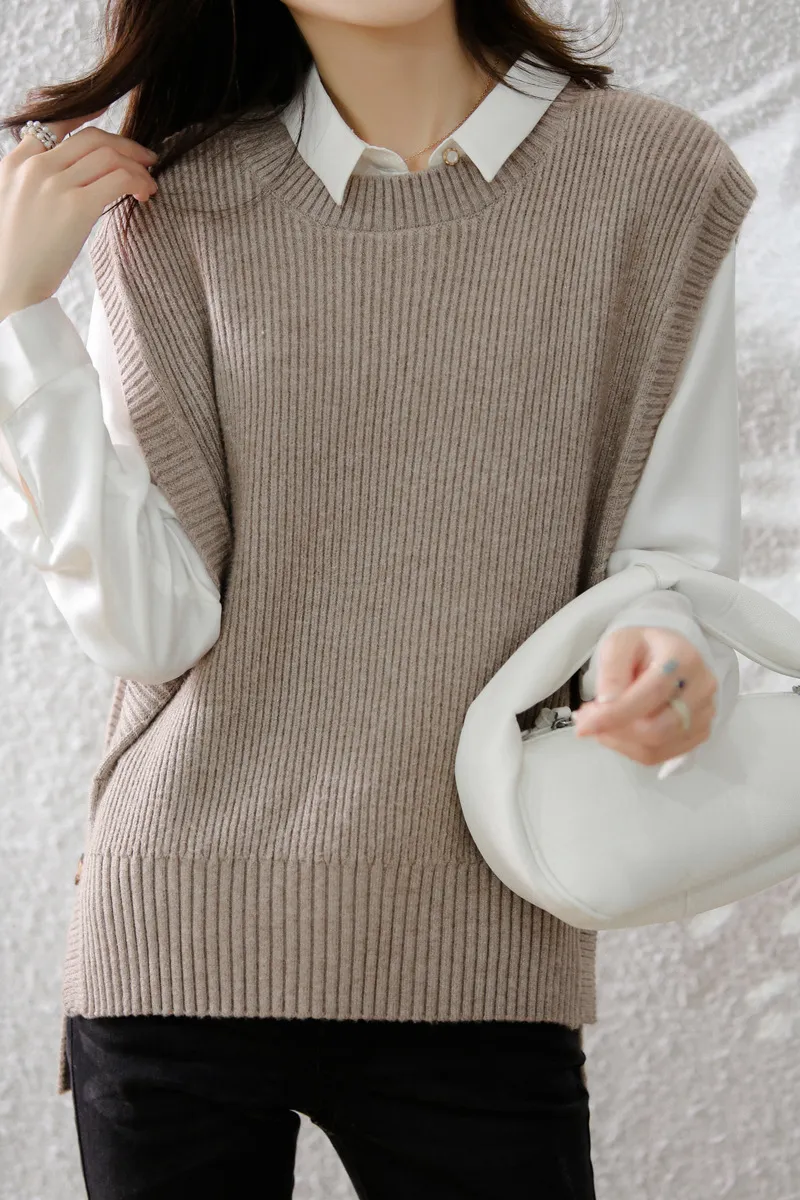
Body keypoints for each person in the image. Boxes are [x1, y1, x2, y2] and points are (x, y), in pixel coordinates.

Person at [0, 1, 756, 1196]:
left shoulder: (654, 177)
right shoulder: (177, 201)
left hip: (480, 948)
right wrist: (17, 322)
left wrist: (663, 651)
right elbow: (155, 629)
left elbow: (665, 560)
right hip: (181, 934)